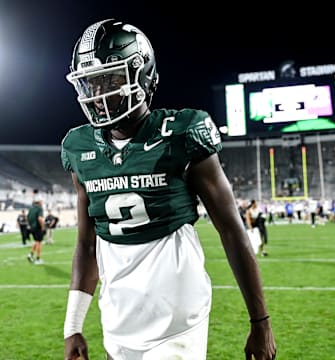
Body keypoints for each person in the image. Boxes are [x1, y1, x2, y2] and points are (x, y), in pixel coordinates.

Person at [62, 19, 276, 360]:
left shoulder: (182, 133)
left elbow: (233, 231)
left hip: (177, 321)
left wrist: (260, 322)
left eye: (110, 80)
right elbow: (87, 247)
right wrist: (73, 325)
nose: (98, 95)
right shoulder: (79, 148)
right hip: (117, 319)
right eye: (90, 83)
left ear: (143, 76)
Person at [27, 196, 45, 264]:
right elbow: (40, 218)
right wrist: (43, 226)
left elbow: (27, 217)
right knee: (39, 243)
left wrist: (30, 225)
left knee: (36, 241)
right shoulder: (39, 208)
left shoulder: (31, 208)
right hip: (37, 227)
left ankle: (30, 254)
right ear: (39, 202)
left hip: (32, 227)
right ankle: (38, 258)